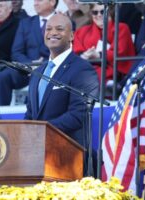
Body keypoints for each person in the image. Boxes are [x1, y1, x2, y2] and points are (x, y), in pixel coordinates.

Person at [24, 12, 99, 172]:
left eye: (59, 29)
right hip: (38, 160)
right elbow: (31, 113)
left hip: (69, 160)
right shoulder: (39, 71)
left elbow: (78, 114)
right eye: (48, 29)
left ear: (71, 35)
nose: (52, 33)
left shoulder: (82, 69)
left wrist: (42, 131)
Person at [0, 0, 59, 106]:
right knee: (3, 76)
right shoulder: (26, 23)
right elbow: (16, 52)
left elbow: (64, 51)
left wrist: (41, 66)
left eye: (39, 0)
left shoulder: (63, 21)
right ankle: (2, 113)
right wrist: (29, 65)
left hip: (51, 69)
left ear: (52, 2)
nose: (35, 3)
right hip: (26, 68)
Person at [73, 3, 135, 82]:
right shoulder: (82, 31)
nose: (99, 15)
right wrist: (84, 55)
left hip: (112, 73)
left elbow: (119, 53)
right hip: (85, 68)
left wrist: (98, 55)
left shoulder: (121, 28)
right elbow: (75, 51)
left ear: (110, 11)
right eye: (95, 12)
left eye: (103, 11)